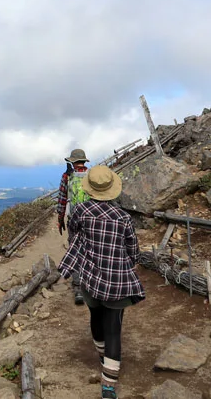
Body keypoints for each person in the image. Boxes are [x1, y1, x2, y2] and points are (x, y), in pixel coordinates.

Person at [59, 165, 145, 399]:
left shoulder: (81, 212)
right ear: (111, 189)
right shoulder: (123, 217)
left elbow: (74, 236)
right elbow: (133, 251)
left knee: (95, 317)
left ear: (90, 189)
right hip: (117, 281)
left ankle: (101, 357)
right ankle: (108, 387)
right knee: (114, 329)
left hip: (90, 278)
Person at [56, 148, 91, 305]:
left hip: (73, 219)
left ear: (72, 161)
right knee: (91, 250)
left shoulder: (67, 175)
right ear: (84, 161)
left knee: (75, 251)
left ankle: (78, 289)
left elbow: (63, 198)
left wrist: (60, 218)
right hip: (91, 219)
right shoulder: (91, 175)